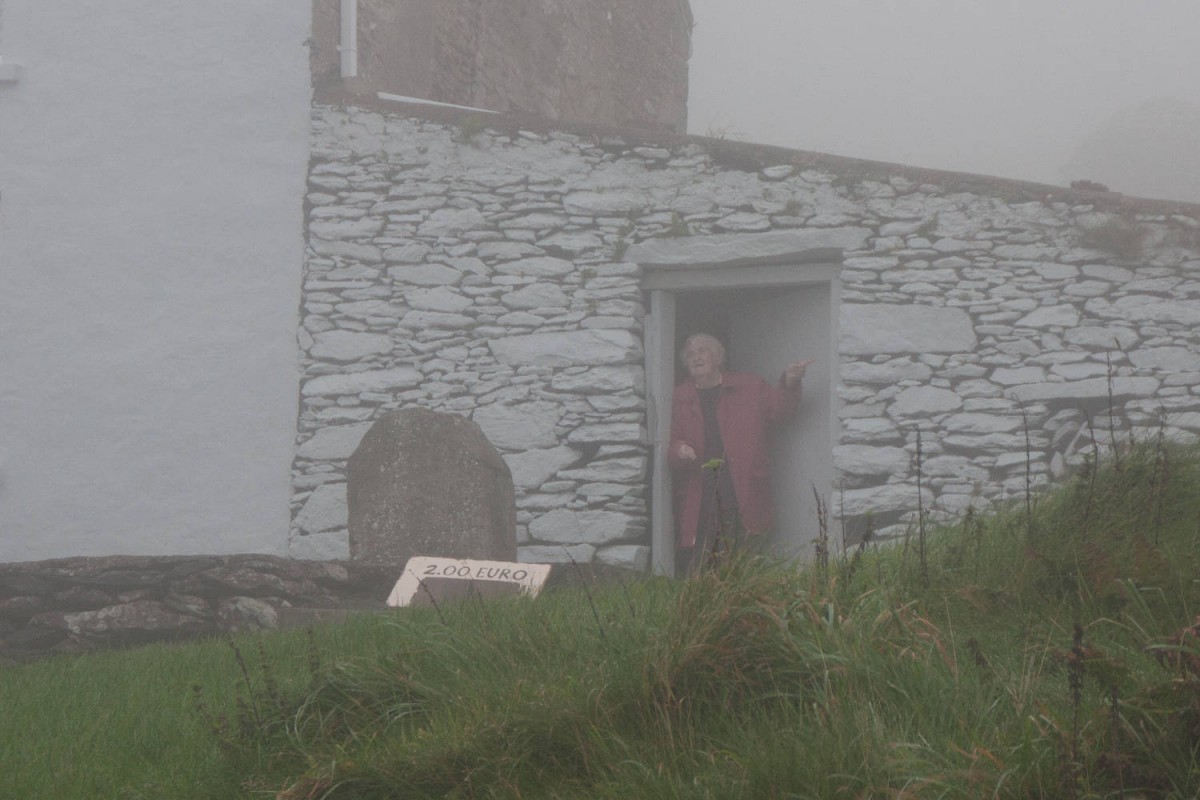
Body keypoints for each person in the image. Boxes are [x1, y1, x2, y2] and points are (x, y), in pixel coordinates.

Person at [667, 332, 812, 575]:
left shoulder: (750, 387)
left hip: (741, 491)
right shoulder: (678, 397)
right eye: (690, 354)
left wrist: (790, 381)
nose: (696, 357)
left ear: (718, 357)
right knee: (701, 566)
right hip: (699, 497)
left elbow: (780, 409)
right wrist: (678, 449)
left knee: (743, 564)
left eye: (702, 350)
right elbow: (667, 442)